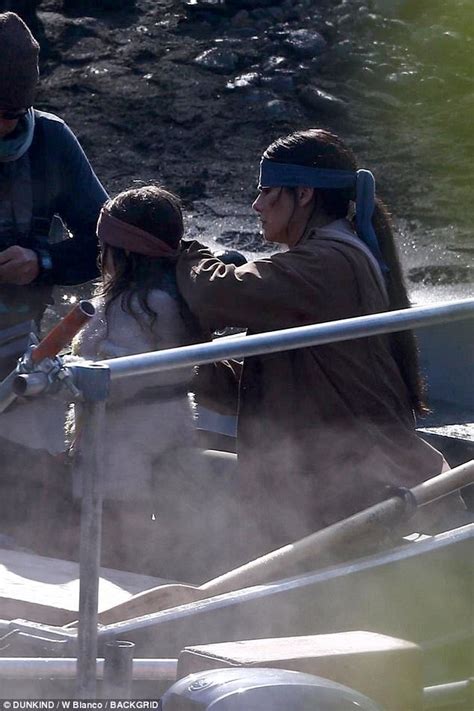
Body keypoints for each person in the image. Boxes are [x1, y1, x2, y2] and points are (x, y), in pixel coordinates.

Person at [176, 128, 451, 556]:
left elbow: (217, 294)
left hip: (352, 493)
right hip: (337, 484)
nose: (256, 204)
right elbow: (278, 388)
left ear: (303, 194)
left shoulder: (328, 262)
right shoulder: (336, 254)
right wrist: (194, 372)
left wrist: (183, 253)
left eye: (267, 191)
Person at [70, 185, 206, 575]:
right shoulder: (167, 299)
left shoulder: (140, 308)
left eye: (105, 247)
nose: (101, 258)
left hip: (128, 450)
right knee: (152, 536)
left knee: (120, 548)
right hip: (164, 435)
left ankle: (118, 618)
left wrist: (66, 373)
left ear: (125, 251)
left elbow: (117, 376)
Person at [0, 11, 107, 380]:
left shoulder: (50, 142)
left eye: (9, 114)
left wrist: (42, 261)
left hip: (14, 347)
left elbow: (108, 242)